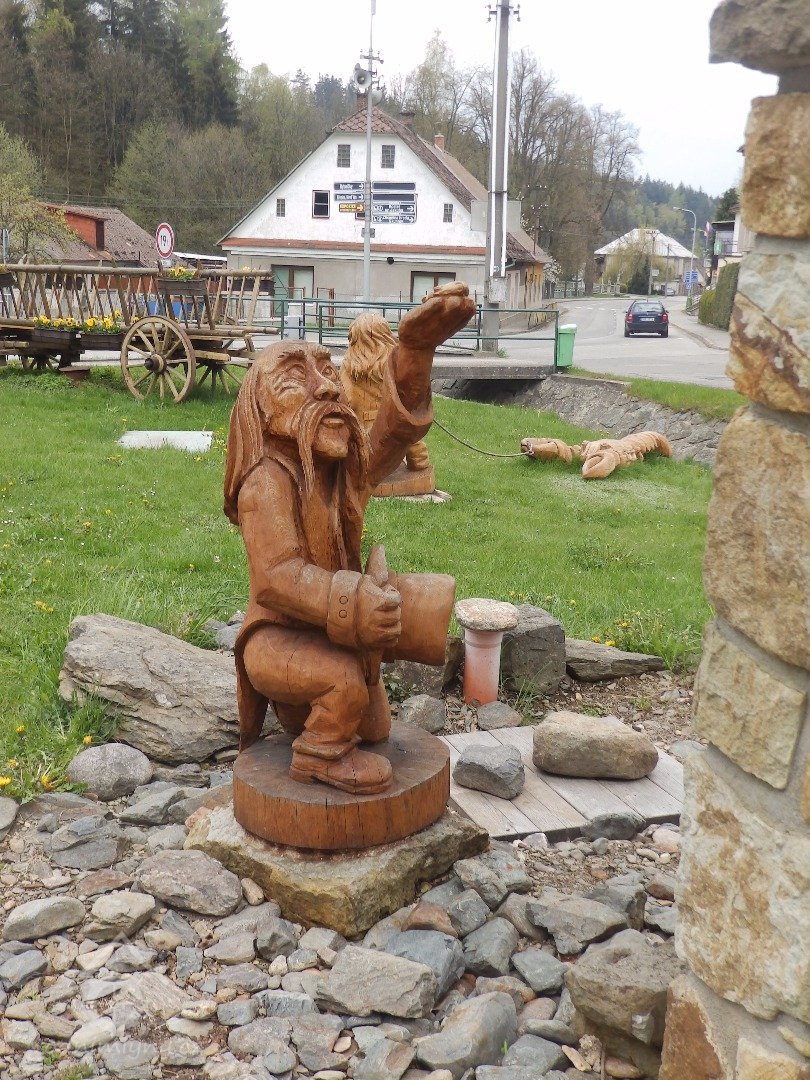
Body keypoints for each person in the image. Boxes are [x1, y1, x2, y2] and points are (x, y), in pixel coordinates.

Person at [223, 283, 474, 795]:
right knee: (343, 683)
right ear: (260, 411)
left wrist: (415, 353)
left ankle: (320, 717)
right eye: (297, 378)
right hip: (275, 638)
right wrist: (356, 601)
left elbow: (392, 435)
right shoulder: (265, 482)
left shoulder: (336, 474)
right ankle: (317, 757)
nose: (328, 388)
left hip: (328, 629)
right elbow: (275, 579)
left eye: (328, 371)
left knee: (375, 727)